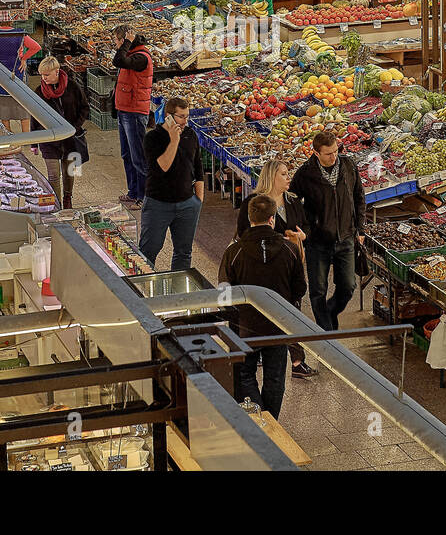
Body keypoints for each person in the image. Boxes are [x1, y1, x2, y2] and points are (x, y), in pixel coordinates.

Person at [219, 194, 308, 419]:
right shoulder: (290, 249)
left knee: (243, 376)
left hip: (245, 328)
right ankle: (271, 422)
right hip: (278, 325)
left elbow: (224, 294)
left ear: (250, 219)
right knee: (275, 379)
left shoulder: (234, 252)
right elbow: (300, 288)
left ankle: (259, 418)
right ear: (272, 219)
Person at [236, 157, 319, 379]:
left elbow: (306, 226)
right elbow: (244, 232)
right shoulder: (254, 203)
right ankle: (261, 350)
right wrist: (278, 239)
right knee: (263, 309)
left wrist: (302, 236)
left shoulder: (292, 201)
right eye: (283, 174)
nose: (288, 178)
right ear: (271, 176)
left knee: (292, 308)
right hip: (261, 264)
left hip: (287, 264)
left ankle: (297, 360)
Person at [292, 130, 366, 332]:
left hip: (346, 237)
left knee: (348, 286)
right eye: (328, 154)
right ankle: (326, 333)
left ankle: (330, 312)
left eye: (336, 151)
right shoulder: (305, 174)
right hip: (318, 241)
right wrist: (306, 230)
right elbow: (293, 203)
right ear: (316, 153)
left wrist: (360, 228)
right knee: (318, 290)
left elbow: (359, 197)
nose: (334, 157)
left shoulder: (348, 165)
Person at [139, 96, 204, 271]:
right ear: (168, 116)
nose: (185, 121)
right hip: (158, 204)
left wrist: (198, 200)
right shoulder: (152, 138)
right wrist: (174, 140)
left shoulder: (190, 135)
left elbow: (197, 166)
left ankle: (179, 287)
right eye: (181, 117)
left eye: (187, 116)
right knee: (148, 252)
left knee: (184, 253)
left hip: (187, 205)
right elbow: (163, 166)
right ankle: (143, 285)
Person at [32, 56, 88, 209]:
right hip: (48, 140)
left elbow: (84, 108)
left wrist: (75, 127)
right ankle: (56, 205)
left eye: (47, 75)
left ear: (57, 72)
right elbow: (34, 116)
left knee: (69, 171)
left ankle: (68, 199)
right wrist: (34, 143)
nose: (44, 78)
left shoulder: (73, 87)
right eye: (42, 75)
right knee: (53, 176)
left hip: (70, 139)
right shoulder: (39, 92)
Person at [112, 22, 153, 207]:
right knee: (127, 155)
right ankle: (133, 192)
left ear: (124, 40)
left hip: (135, 112)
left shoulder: (141, 57)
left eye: (116, 40)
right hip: (124, 110)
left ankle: (144, 197)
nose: (115, 44)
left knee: (138, 157)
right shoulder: (131, 54)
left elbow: (118, 61)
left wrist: (126, 43)